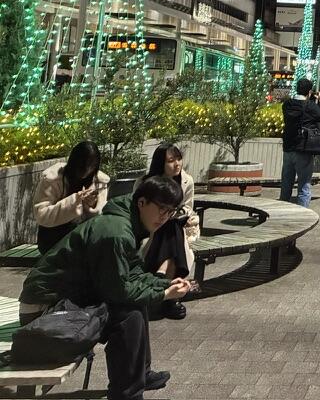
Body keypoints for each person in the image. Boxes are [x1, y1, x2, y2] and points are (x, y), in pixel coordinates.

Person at [19, 176, 192, 400]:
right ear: (141, 202)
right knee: (128, 315)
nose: (164, 217)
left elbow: (131, 272)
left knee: (135, 306)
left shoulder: (127, 222)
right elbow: (118, 291)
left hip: (66, 300)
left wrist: (165, 283)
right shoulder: (116, 232)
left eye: (170, 211)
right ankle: (127, 394)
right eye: (161, 209)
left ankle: (140, 375)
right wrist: (164, 294)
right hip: (43, 311)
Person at [136, 143, 199, 319]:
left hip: (177, 228)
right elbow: (139, 208)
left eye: (179, 159)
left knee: (172, 225)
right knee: (169, 228)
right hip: (151, 229)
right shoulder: (146, 182)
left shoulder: (187, 181)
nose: (177, 164)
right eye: (171, 160)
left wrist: (174, 213)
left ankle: (162, 275)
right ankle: (171, 299)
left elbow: (188, 208)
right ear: (160, 163)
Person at [33, 140, 110, 254]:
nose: (87, 169)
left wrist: (91, 206)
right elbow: (41, 215)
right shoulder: (53, 179)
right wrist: (74, 201)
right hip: (53, 238)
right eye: (83, 165)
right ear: (74, 162)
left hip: (84, 237)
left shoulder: (99, 181)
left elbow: (99, 218)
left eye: (92, 166)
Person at [281, 78, 320, 207]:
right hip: (303, 148)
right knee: (304, 186)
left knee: (286, 184)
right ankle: (302, 213)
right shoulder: (309, 106)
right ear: (309, 92)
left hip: (288, 148)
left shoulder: (287, 104)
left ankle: (282, 211)